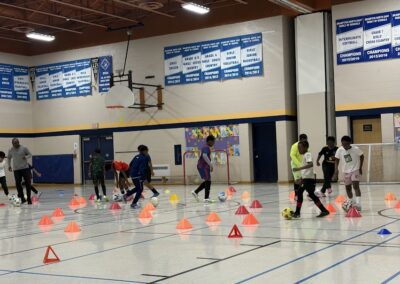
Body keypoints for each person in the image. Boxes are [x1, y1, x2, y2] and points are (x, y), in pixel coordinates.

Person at [292, 141, 330, 218]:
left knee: (300, 192)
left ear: (306, 147)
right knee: (312, 195)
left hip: (308, 180)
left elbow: (310, 164)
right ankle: (324, 210)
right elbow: (306, 171)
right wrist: (301, 178)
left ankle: (297, 212)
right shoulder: (305, 155)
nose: (299, 149)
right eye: (298, 148)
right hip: (306, 179)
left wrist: (298, 168)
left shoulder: (308, 154)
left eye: (300, 147)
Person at [334, 136, 364, 211]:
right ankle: (351, 201)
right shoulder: (340, 150)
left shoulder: (356, 149)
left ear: (350, 143)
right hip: (346, 171)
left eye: (346, 144)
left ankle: (358, 204)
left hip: (355, 169)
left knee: (356, 186)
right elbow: (336, 159)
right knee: (347, 188)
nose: (344, 146)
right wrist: (336, 169)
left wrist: (360, 167)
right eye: (343, 144)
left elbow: (362, 156)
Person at [192, 135, 216, 203]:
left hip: (203, 166)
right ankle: (206, 198)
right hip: (203, 166)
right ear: (209, 141)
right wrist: (210, 165)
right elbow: (204, 156)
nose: (213, 144)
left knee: (208, 180)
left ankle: (196, 192)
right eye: (213, 142)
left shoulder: (206, 147)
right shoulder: (206, 147)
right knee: (208, 180)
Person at [7, 138, 32, 204]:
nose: (16, 144)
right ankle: (22, 198)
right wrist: (9, 165)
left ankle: (29, 198)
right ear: (12, 144)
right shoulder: (10, 149)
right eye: (14, 143)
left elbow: (30, 154)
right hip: (16, 169)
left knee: (28, 183)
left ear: (19, 142)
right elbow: (9, 158)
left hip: (25, 168)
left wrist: (26, 157)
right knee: (18, 184)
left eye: (17, 143)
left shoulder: (24, 148)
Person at [124, 145, 149, 209]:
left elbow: (130, 164)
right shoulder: (143, 158)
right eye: (147, 151)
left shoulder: (136, 156)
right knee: (140, 189)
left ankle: (126, 195)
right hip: (138, 175)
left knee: (137, 188)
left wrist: (132, 172)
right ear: (144, 151)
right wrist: (143, 177)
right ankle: (133, 204)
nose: (147, 152)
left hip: (133, 174)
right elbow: (142, 168)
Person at [290, 134, 308, 199]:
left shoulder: (306, 145)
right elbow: (292, 155)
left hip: (303, 165)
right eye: (304, 140)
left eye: (306, 140)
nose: (305, 141)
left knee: (303, 180)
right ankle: (296, 195)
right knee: (297, 180)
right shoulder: (294, 146)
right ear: (300, 140)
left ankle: (308, 193)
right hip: (295, 165)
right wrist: (299, 165)